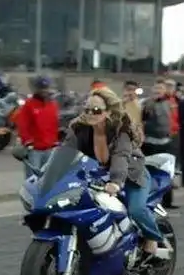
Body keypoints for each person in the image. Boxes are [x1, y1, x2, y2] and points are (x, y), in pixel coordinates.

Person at [62, 87, 164, 255]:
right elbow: (66, 152)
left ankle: (152, 237)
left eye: (96, 110)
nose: (90, 114)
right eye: (87, 109)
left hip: (130, 174)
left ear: (108, 111)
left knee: (136, 210)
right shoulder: (79, 128)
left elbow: (120, 156)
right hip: (97, 175)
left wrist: (116, 181)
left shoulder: (120, 129)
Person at [141, 80, 178, 209]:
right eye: (156, 89)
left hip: (166, 142)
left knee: (167, 173)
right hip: (150, 143)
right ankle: (151, 201)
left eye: (160, 89)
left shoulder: (170, 103)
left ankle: (167, 201)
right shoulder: (146, 104)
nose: (158, 92)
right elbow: (142, 119)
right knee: (150, 174)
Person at [16, 75, 59, 178]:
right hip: (34, 150)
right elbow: (23, 125)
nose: (44, 90)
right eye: (41, 88)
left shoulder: (53, 105)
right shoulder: (29, 105)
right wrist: (28, 141)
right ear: (36, 89)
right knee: (33, 179)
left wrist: (55, 141)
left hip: (49, 148)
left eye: (46, 88)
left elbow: (54, 125)